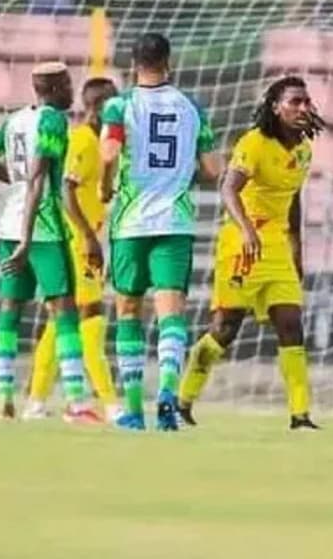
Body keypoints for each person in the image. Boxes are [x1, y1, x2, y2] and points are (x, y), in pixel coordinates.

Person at [177, 75, 324, 430]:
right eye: (294, 102)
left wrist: (296, 249)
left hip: (277, 246)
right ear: (276, 107)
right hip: (243, 244)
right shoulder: (254, 143)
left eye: (306, 102)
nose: (302, 108)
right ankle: (182, 402)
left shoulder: (304, 148)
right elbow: (229, 188)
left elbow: (293, 201)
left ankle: (300, 415)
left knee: (291, 325)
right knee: (226, 329)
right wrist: (246, 229)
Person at [100, 33, 223, 431]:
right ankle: (169, 390)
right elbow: (212, 168)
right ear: (168, 62)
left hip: (131, 222)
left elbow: (109, 153)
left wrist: (104, 186)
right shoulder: (192, 107)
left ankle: (134, 411)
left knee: (129, 311)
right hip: (175, 222)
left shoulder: (119, 106)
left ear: (134, 64)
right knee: (172, 313)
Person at [0, 62, 103, 425]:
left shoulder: (15, 120)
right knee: (64, 310)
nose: (70, 90)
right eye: (66, 84)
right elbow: (38, 180)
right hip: (43, 230)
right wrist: (29, 236)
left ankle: (4, 399)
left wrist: (14, 186)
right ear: (52, 87)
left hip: (7, 228)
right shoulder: (52, 121)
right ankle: (78, 401)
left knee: (10, 310)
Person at [21, 77, 123, 423]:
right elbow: (66, 190)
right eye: (110, 105)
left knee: (60, 324)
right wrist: (89, 238)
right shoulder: (81, 140)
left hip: (84, 240)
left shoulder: (104, 143)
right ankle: (109, 404)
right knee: (91, 317)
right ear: (94, 107)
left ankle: (36, 402)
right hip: (76, 243)